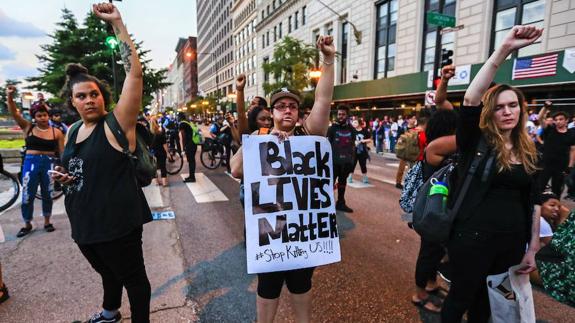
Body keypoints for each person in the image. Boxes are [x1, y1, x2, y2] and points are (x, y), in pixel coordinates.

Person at [53, 3, 152, 322]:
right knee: (107, 271)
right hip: (84, 224)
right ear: (73, 101)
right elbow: (79, 169)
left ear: (103, 96)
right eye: (81, 96)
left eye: (94, 94)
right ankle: (110, 312)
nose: (89, 100)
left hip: (118, 224)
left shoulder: (117, 123)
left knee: (134, 279)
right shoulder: (72, 130)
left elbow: (135, 74)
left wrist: (117, 24)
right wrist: (64, 178)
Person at [441, 25, 543, 323]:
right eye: (500, 107)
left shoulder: (530, 149)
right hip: (471, 238)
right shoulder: (476, 141)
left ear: (521, 110)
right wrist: (504, 50)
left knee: (487, 305)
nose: (508, 111)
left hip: (511, 242)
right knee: (460, 298)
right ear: (491, 113)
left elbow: (534, 199)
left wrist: (532, 247)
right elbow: (471, 99)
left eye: (513, 105)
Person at [231, 34, 335, 323]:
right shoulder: (259, 138)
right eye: (281, 106)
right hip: (270, 230)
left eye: (293, 106)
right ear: (272, 112)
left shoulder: (309, 135)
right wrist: (258, 143)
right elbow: (236, 169)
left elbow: (323, 98)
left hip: (302, 231)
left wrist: (328, 59)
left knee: (301, 283)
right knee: (268, 284)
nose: (288, 109)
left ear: (299, 113)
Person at [411, 109, 458, 314]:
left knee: (436, 251)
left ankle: (430, 283)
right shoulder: (435, 148)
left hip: (444, 211)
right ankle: (419, 294)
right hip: (433, 212)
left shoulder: (447, 150)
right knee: (429, 253)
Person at [5, 85, 65, 238]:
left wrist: (63, 167)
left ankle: (47, 221)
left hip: (49, 163)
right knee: (27, 194)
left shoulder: (56, 132)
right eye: (39, 115)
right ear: (34, 117)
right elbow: (14, 112)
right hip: (31, 163)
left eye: (45, 115)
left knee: (48, 193)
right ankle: (27, 223)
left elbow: (63, 152)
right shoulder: (28, 128)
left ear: (48, 116)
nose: (42, 118)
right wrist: (10, 96)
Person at [535, 192, 575, 307]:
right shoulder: (542, 222)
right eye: (552, 205)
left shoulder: (543, 221)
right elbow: (555, 247)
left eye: (558, 206)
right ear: (540, 205)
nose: (556, 209)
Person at [537, 101, 575, 198]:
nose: (558, 121)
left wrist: (570, 166)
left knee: (557, 190)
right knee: (539, 188)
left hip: (561, 166)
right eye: (556, 119)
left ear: (566, 120)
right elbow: (540, 118)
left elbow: (572, 150)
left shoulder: (571, 133)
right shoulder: (550, 129)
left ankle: (554, 209)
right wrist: (545, 107)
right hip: (545, 164)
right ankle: (536, 209)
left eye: (561, 119)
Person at [327, 105, 356, 213]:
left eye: (343, 114)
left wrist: (351, 163)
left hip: (345, 163)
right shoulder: (331, 129)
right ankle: (328, 205)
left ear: (347, 115)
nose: (341, 116)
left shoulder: (352, 130)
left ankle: (340, 203)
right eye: (339, 114)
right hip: (333, 163)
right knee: (330, 184)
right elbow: (327, 145)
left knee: (343, 182)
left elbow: (352, 147)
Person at [395, 114, 426, 189]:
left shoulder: (417, 129)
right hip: (404, 149)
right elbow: (398, 137)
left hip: (412, 150)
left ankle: (409, 183)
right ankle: (398, 182)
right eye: (412, 118)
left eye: (415, 119)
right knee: (401, 167)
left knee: (411, 168)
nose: (413, 120)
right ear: (408, 120)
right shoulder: (403, 127)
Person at [178, 112, 200, 183]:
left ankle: (192, 177)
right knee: (192, 161)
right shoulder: (188, 122)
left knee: (191, 161)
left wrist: (183, 148)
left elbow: (182, 136)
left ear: (180, 117)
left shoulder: (182, 124)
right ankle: (191, 176)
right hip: (194, 144)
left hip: (189, 145)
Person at [350, 119, 371, 184]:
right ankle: (350, 177)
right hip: (353, 151)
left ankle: (364, 177)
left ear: (359, 123)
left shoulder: (365, 131)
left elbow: (370, 139)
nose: (353, 124)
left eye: (355, 122)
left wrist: (363, 141)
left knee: (363, 164)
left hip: (362, 151)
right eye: (353, 123)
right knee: (352, 164)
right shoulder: (352, 131)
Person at [150, 116, 169, 186]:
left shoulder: (148, 133)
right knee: (163, 166)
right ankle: (164, 182)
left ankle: (157, 182)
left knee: (154, 167)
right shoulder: (160, 133)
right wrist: (168, 153)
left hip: (152, 153)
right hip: (161, 152)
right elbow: (164, 145)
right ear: (157, 123)